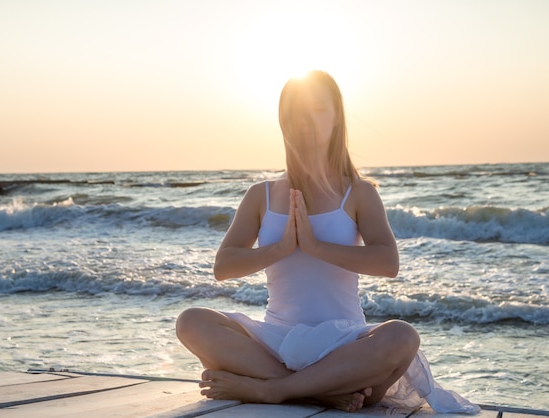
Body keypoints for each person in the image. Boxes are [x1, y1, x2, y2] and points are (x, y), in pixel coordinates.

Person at [176, 70, 479, 414]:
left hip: (345, 346)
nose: (306, 121)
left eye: (318, 109)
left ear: (336, 117)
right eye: (296, 113)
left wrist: (316, 247)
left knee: (402, 336)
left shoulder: (358, 192)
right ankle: (316, 392)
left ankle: (275, 390)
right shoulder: (260, 195)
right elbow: (223, 267)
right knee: (191, 321)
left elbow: (387, 262)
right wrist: (280, 248)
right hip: (277, 342)